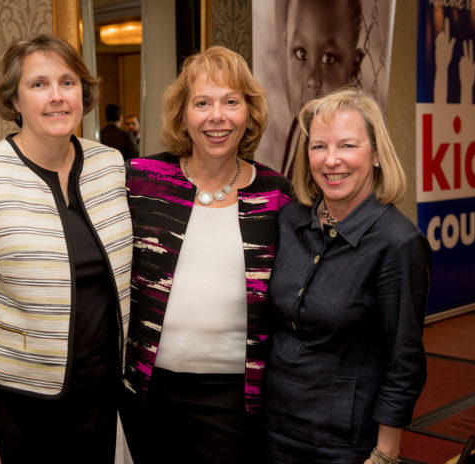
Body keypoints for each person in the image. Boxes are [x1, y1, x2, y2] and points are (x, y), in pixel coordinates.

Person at [0, 33, 132, 464]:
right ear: (15, 100)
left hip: (99, 396)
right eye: (39, 84)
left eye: (68, 82)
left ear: (85, 92)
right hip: (15, 404)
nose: (57, 97)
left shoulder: (109, 165)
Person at [120, 46, 293, 464]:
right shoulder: (142, 180)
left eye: (231, 102)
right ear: (183, 114)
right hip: (147, 390)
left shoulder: (275, 194)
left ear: (249, 113)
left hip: (232, 398)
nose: (218, 116)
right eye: (202, 103)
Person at [266, 87, 432, 463]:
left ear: (375, 155)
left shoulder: (398, 243)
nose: (331, 160)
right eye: (319, 146)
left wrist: (385, 453)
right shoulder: (289, 221)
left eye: (348, 146)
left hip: (344, 442)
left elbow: (403, 360)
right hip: (273, 427)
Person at [279, 0, 365, 176]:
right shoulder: (299, 124)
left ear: (354, 66)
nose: (312, 79)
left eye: (328, 59)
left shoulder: (349, 157)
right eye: (301, 53)